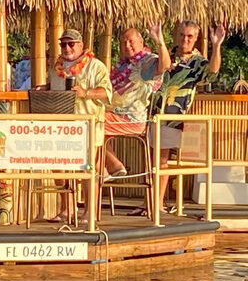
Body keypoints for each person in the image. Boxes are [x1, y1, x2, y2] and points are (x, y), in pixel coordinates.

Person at [132, 20, 226, 216]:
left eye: (190, 36)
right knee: (150, 160)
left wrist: (216, 46)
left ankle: (157, 203)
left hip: (173, 116)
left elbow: (213, 72)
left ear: (195, 39)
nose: (185, 39)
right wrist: (158, 40)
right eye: (182, 35)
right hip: (153, 113)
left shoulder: (197, 62)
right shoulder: (168, 55)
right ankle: (147, 201)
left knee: (162, 159)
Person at [46, 29, 112, 222]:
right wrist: (45, 88)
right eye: (63, 44)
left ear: (81, 46)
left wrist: (87, 93)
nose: (66, 48)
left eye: (71, 44)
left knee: (88, 169)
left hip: (88, 126)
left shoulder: (95, 66)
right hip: (61, 127)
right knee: (58, 168)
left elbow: (108, 93)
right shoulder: (56, 68)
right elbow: (54, 88)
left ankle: (90, 212)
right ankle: (67, 208)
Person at [104, 24, 171, 179]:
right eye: (123, 42)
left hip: (131, 118)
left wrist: (159, 40)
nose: (127, 45)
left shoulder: (146, 62)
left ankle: (110, 165)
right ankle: (105, 166)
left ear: (141, 43)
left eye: (131, 41)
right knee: (89, 118)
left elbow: (165, 66)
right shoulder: (123, 64)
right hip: (114, 113)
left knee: (91, 122)